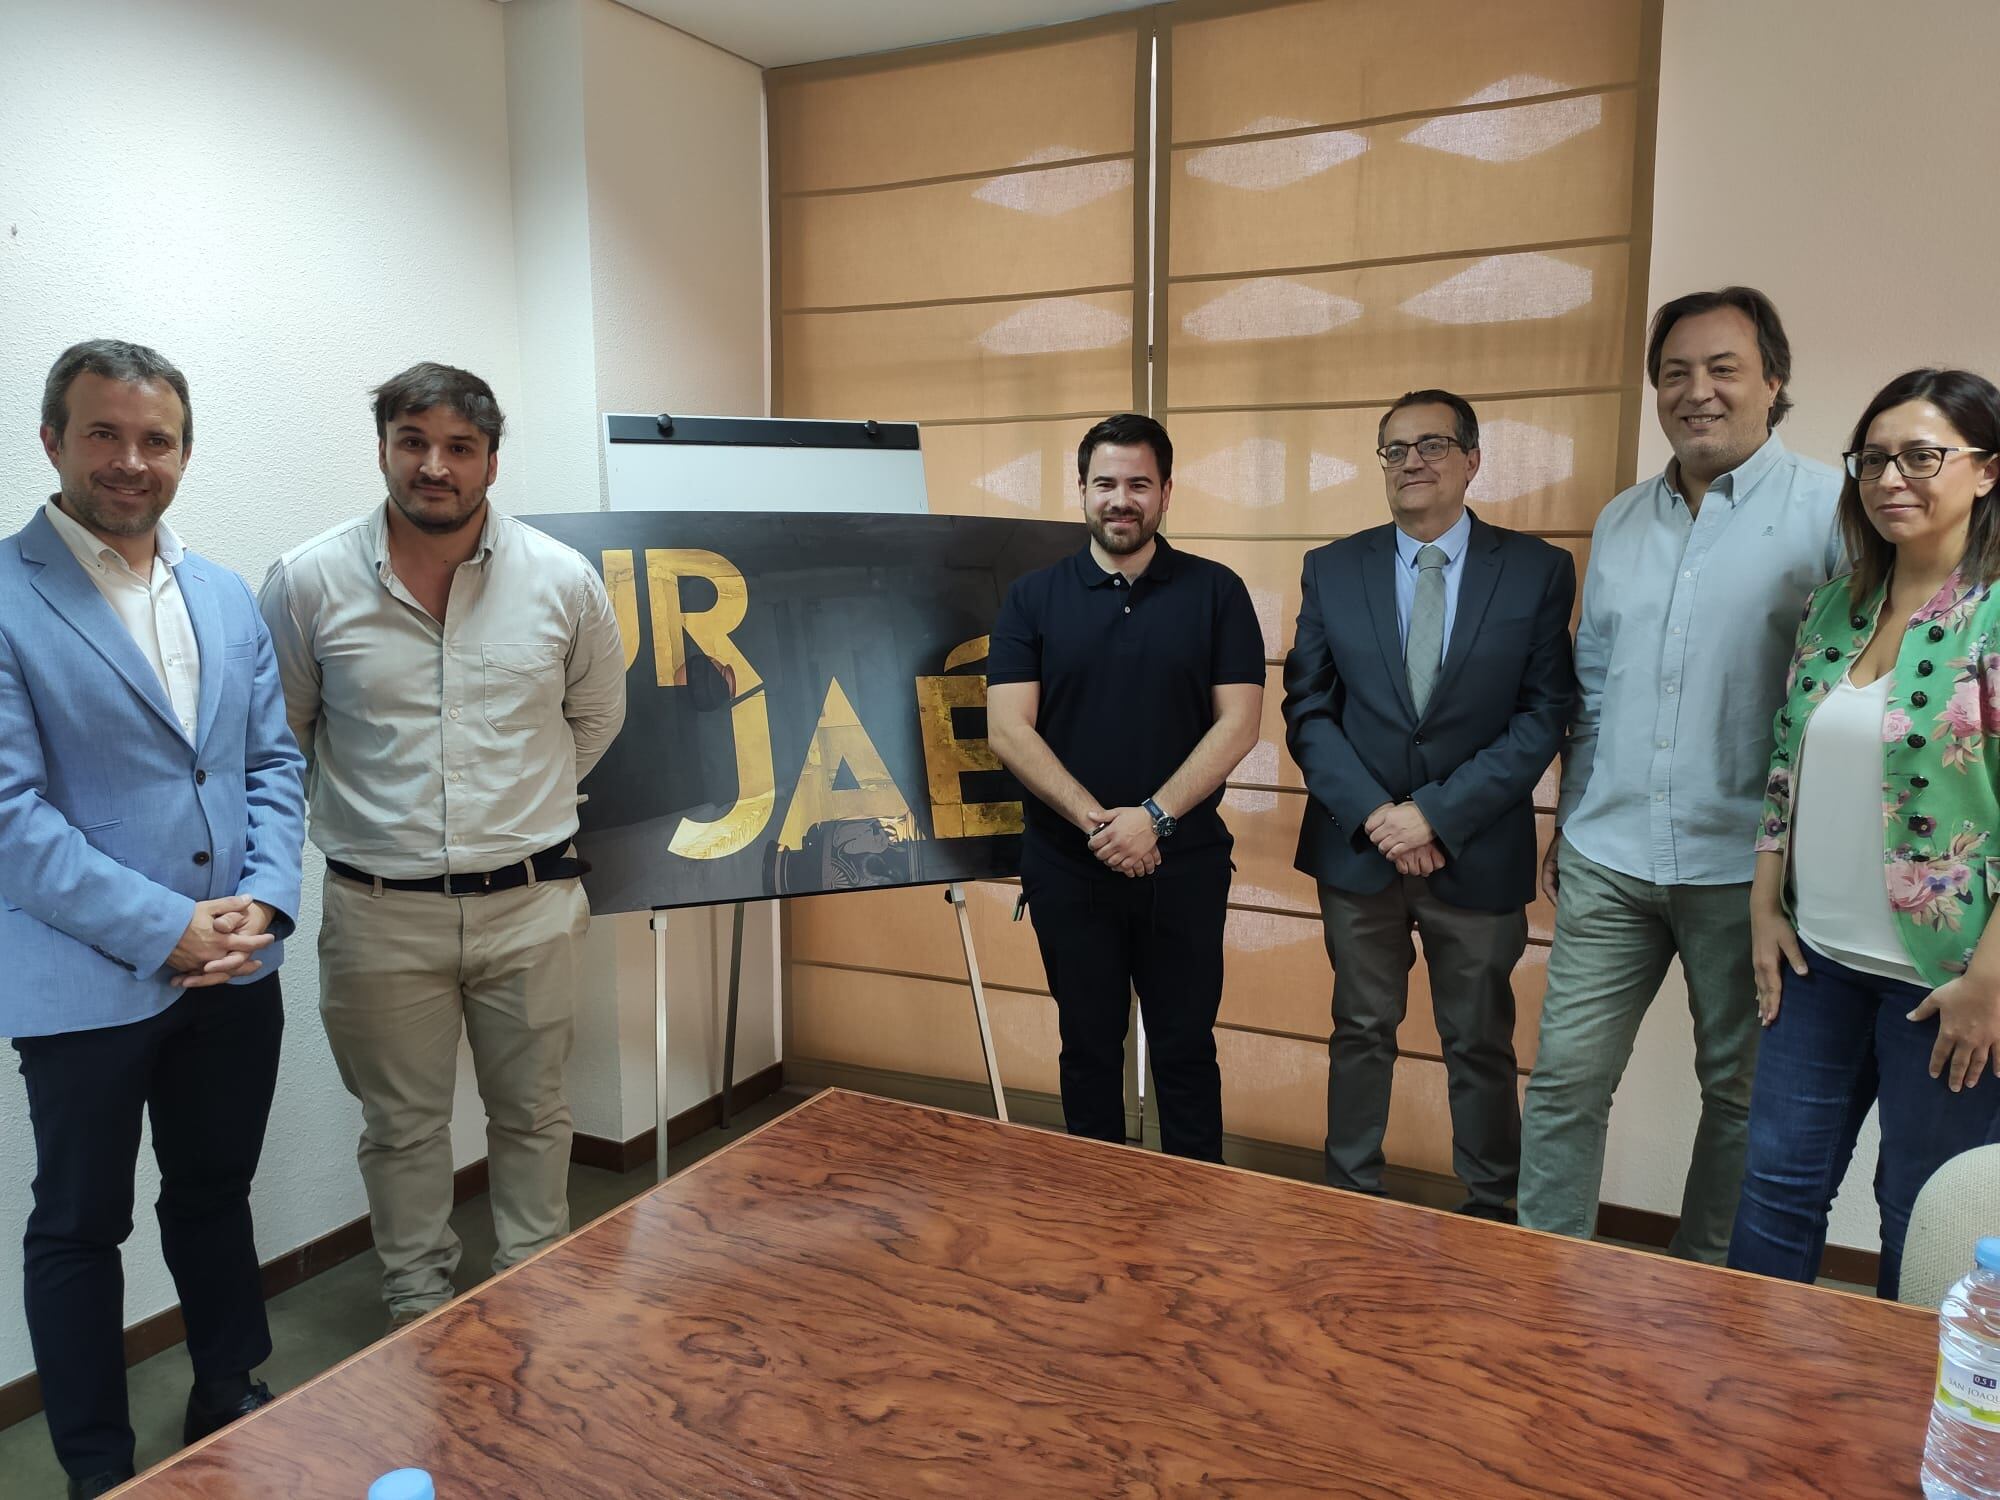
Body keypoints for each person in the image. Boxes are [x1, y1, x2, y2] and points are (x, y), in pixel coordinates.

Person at [258, 363, 625, 1328]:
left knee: (536, 1114)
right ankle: (417, 1307)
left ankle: (532, 1288)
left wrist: (519, 808)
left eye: (459, 447)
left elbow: (593, 719)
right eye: (412, 442)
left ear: (492, 462)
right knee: (402, 1130)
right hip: (380, 914)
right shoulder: (306, 584)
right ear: (382, 449)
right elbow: (282, 741)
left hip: (533, 903)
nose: (434, 466)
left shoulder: (562, 581)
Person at [1, 340, 306, 1498]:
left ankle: (230, 1393)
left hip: (237, 969)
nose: (131, 461)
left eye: (156, 439)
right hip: (85, 981)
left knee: (215, 1192)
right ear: (52, 441)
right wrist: (165, 927)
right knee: (80, 1228)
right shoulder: (5, 592)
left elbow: (271, 763)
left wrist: (265, 901)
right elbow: (9, 815)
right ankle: (95, 1467)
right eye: (103, 434)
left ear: (183, 450)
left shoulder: (222, 591)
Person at [1516, 287, 1844, 1261]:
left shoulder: (1832, 512)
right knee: (1564, 1082)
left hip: (1744, 871)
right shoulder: (1620, 521)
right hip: (1608, 852)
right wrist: (1563, 820)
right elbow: (1591, 689)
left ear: (1771, 382)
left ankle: (1707, 1296)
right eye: (1673, 372)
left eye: (1720, 369)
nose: (1694, 391)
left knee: (1738, 1098)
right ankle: (1537, 1276)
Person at [1731, 368, 2000, 1297]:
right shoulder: (1836, 606)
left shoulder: (1995, 614)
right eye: (1873, 458)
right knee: (1774, 1192)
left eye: (1923, 455)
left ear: (1987, 471)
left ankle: (1901, 1434)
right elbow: (1783, 766)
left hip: (1950, 983)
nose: (1892, 477)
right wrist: (1765, 907)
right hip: (1816, 966)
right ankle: (1744, 1407)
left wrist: (1991, 981)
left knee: (1921, 1218)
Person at [1283, 390, 1576, 1219]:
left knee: (1479, 1044)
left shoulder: (1537, 569)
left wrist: (1436, 815)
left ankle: (1492, 1213)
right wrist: (1382, 816)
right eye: (1394, 449)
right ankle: (1348, 1200)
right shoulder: (1331, 567)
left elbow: (1541, 714)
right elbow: (1307, 708)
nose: (1412, 461)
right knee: (1360, 1029)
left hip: (1475, 851)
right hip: (1358, 851)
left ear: (1473, 460)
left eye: (1433, 445)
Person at [986, 413, 1263, 1161]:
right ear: (1081, 491)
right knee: (1086, 1050)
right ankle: (1095, 1222)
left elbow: (1239, 724)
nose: (1121, 499)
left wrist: (1153, 820)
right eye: (1105, 483)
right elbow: (1010, 729)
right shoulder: (1032, 598)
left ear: (1166, 493)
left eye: (1138, 483)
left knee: (1184, 1051)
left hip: (1185, 864)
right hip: (1068, 868)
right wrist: (1100, 827)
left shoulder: (1217, 593)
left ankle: (1196, 1221)